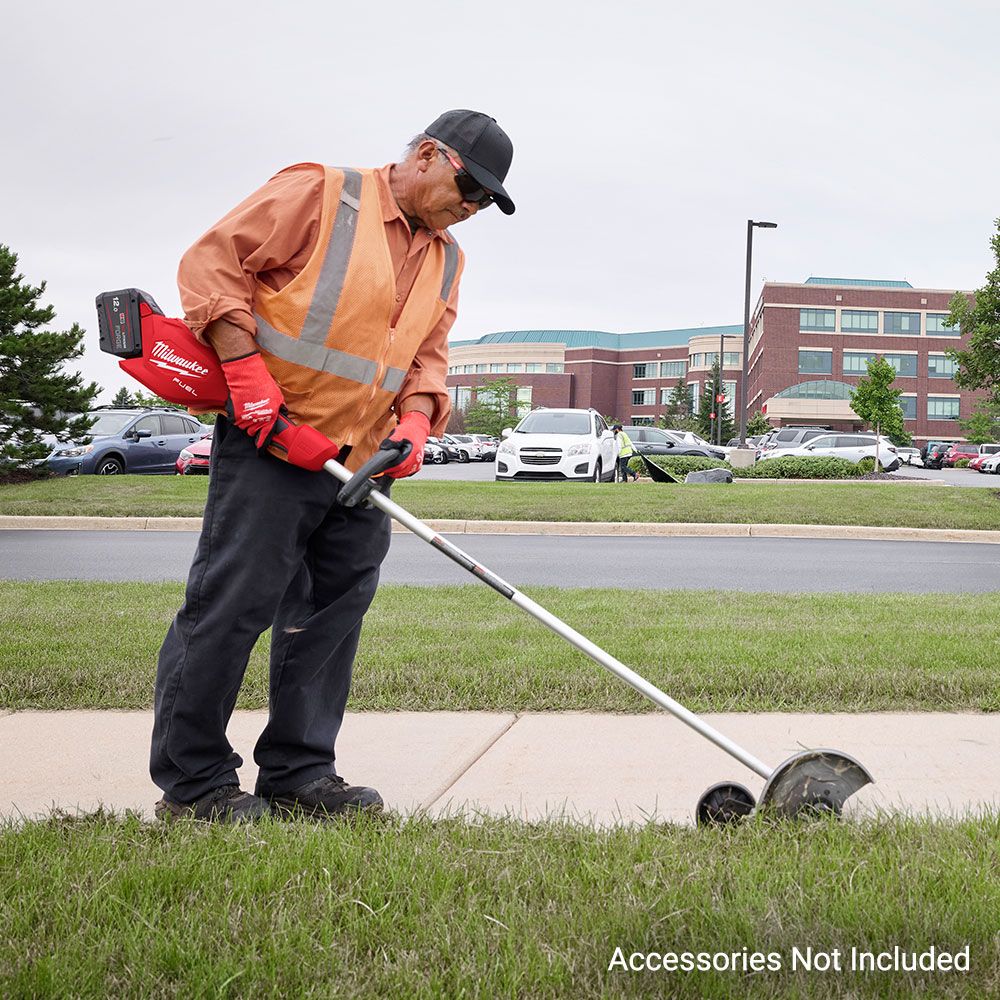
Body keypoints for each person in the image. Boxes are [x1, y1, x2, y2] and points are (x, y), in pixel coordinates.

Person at [150, 110, 516, 822]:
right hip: (272, 443)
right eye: (468, 186)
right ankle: (194, 783)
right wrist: (244, 371)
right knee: (230, 608)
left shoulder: (446, 257)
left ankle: (298, 772)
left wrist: (416, 417)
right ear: (428, 155)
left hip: (361, 462)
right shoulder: (321, 193)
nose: (469, 208)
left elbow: (427, 353)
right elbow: (211, 264)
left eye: (483, 203)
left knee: (330, 618)